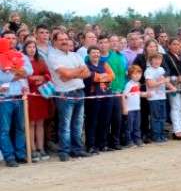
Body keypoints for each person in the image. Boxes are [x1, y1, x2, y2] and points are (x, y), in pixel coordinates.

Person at [47, 31, 91, 161]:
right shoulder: (53, 57)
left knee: (78, 124)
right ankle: (64, 151)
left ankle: (76, 149)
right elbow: (64, 75)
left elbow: (87, 73)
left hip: (79, 91)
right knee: (65, 125)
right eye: (61, 39)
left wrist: (71, 74)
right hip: (64, 94)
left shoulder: (75, 55)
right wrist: (76, 72)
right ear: (54, 42)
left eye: (66, 39)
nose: (65, 41)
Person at [0, 38, 33, 167]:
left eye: (12, 40)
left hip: (20, 97)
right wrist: (19, 74)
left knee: (21, 128)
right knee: (4, 130)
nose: (9, 42)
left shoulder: (20, 55)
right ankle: (9, 157)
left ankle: (20, 155)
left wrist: (15, 72)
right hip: (4, 98)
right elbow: (2, 77)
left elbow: (29, 71)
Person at [83, 46, 114, 154]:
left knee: (105, 121)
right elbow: (92, 77)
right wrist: (104, 76)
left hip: (106, 95)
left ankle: (103, 144)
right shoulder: (86, 66)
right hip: (93, 97)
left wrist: (100, 77)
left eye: (97, 52)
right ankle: (91, 145)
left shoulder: (104, 64)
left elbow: (112, 76)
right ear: (89, 54)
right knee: (92, 122)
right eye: (93, 52)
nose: (96, 54)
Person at [23, 41, 51, 161]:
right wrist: (31, 79)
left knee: (40, 123)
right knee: (31, 123)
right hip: (29, 95)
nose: (32, 49)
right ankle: (32, 149)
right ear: (25, 49)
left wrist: (42, 78)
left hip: (40, 95)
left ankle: (41, 148)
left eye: (34, 47)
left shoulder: (41, 61)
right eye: (29, 47)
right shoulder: (23, 62)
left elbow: (48, 75)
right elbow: (20, 77)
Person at [163, 39, 181, 140]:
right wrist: (175, 78)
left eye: (178, 44)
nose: (176, 46)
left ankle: (179, 129)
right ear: (169, 46)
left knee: (180, 108)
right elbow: (166, 72)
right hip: (173, 85)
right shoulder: (166, 57)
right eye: (174, 44)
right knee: (175, 107)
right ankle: (177, 131)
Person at [144, 53, 174, 143]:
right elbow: (150, 84)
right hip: (153, 98)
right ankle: (156, 136)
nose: (157, 61)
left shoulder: (162, 69)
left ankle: (161, 134)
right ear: (151, 61)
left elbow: (166, 82)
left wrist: (172, 87)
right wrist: (162, 81)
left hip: (162, 97)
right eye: (155, 59)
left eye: (159, 60)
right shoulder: (148, 71)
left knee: (162, 117)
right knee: (156, 117)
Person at [104, 35, 127, 150]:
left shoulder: (119, 57)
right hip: (107, 91)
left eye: (116, 41)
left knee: (117, 118)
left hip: (118, 91)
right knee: (107, 119)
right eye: (111, 41)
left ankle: (116, 141)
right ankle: (106, 142)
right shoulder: (105, 57)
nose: (113, 43)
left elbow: (122, 75)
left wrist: (121, 88)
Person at [123, 65, 147, 147]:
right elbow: (124, 96)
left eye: (139, 73)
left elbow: (137, 94)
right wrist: (125, 108)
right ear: (130, 75)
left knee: (137, 125)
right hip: (130, 109)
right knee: (129, 127)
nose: (137, 75)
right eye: (135, 74)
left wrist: (144, 94)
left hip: (137, 108)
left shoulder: (137, 84)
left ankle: (137, 140)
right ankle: (129, 141)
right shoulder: (128, 85)